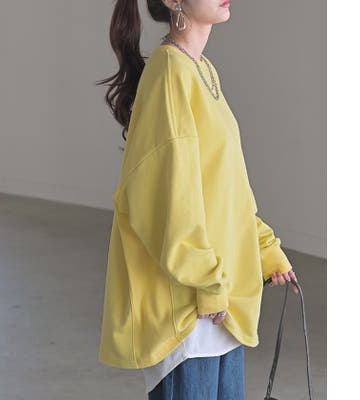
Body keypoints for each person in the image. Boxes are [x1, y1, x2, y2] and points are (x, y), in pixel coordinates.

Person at [96, 1, 299, 399]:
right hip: (189, 313)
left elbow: (225, 186)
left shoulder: (202, 69)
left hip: (220, 304)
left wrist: (264, 249)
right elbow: (168, 200)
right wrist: (206, 283)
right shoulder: (170, 73)